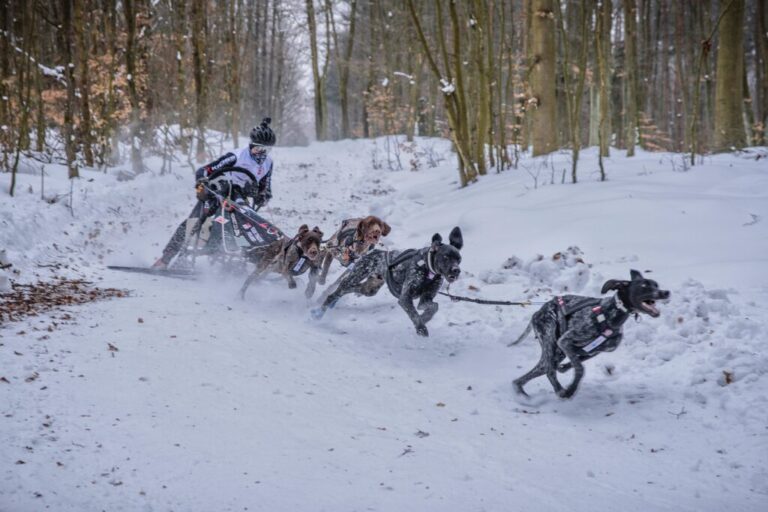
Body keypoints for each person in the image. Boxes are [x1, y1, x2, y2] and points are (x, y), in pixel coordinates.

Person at [153, 117, 277, 269]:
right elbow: (204, 170)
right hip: (218, 191)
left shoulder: (268, 163)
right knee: (194, 221)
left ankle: (245, 259)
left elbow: (266, 189)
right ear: (251, 145)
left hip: (240, 198)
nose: (261, 153)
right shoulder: (236, 156)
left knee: (244, 226)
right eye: (258, 148)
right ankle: (166, 259)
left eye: (266, 150)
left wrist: (262, 197)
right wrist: (202, 181)